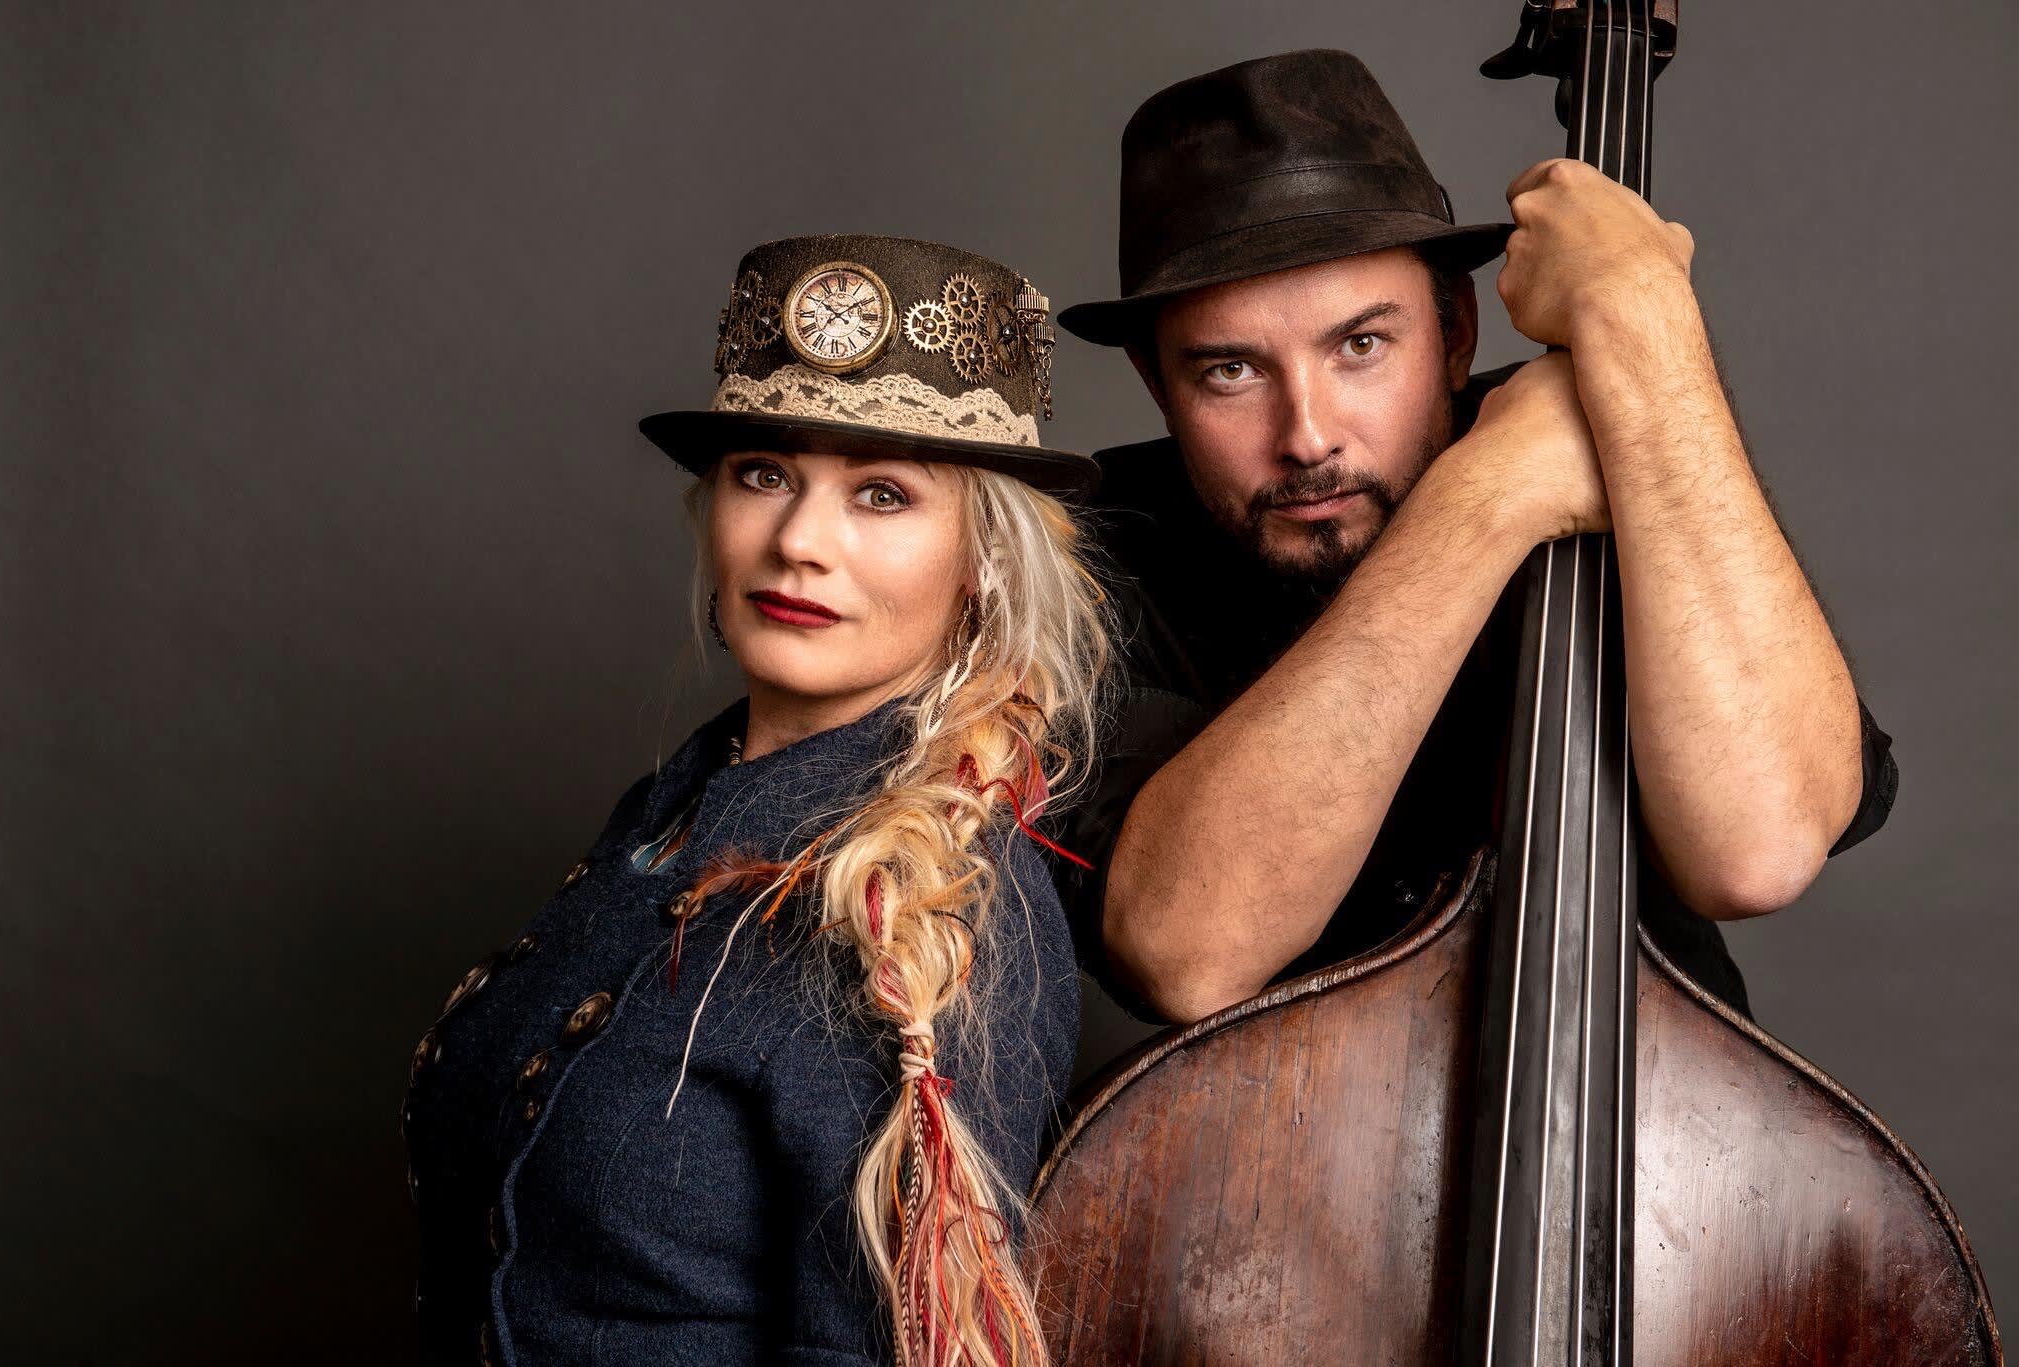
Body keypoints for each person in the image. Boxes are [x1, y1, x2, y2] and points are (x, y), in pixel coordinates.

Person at [1052, 50, 1898, 1026]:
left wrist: (1646, 318)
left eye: (1361, 345)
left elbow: (1760, 848)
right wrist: (1481, 501)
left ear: (1454, 329)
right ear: (1156, 382)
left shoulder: (1608, 439)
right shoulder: (1077, 563)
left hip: (1661, 1117)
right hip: (1267, 1130)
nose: (1307, 436)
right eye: (1229, 371)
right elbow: (1187, 953)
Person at [401, 234, 1111, 1365]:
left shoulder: (939, 907)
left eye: (882, 494)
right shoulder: (673, 806)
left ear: (981, 562)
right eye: (765, 474)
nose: (798, 542)